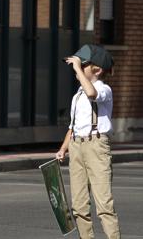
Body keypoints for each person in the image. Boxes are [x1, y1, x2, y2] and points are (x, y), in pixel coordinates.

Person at [55, 44, 120, 239]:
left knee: (104, 204)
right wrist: (63, 148)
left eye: (82, 66)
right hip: (77, 145)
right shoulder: (78, 95)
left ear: (97, 70)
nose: (77, 69)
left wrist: (76, 68)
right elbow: (73, 126)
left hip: (96, 146)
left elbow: (93, 94)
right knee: (79, 205)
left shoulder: (103, 89)